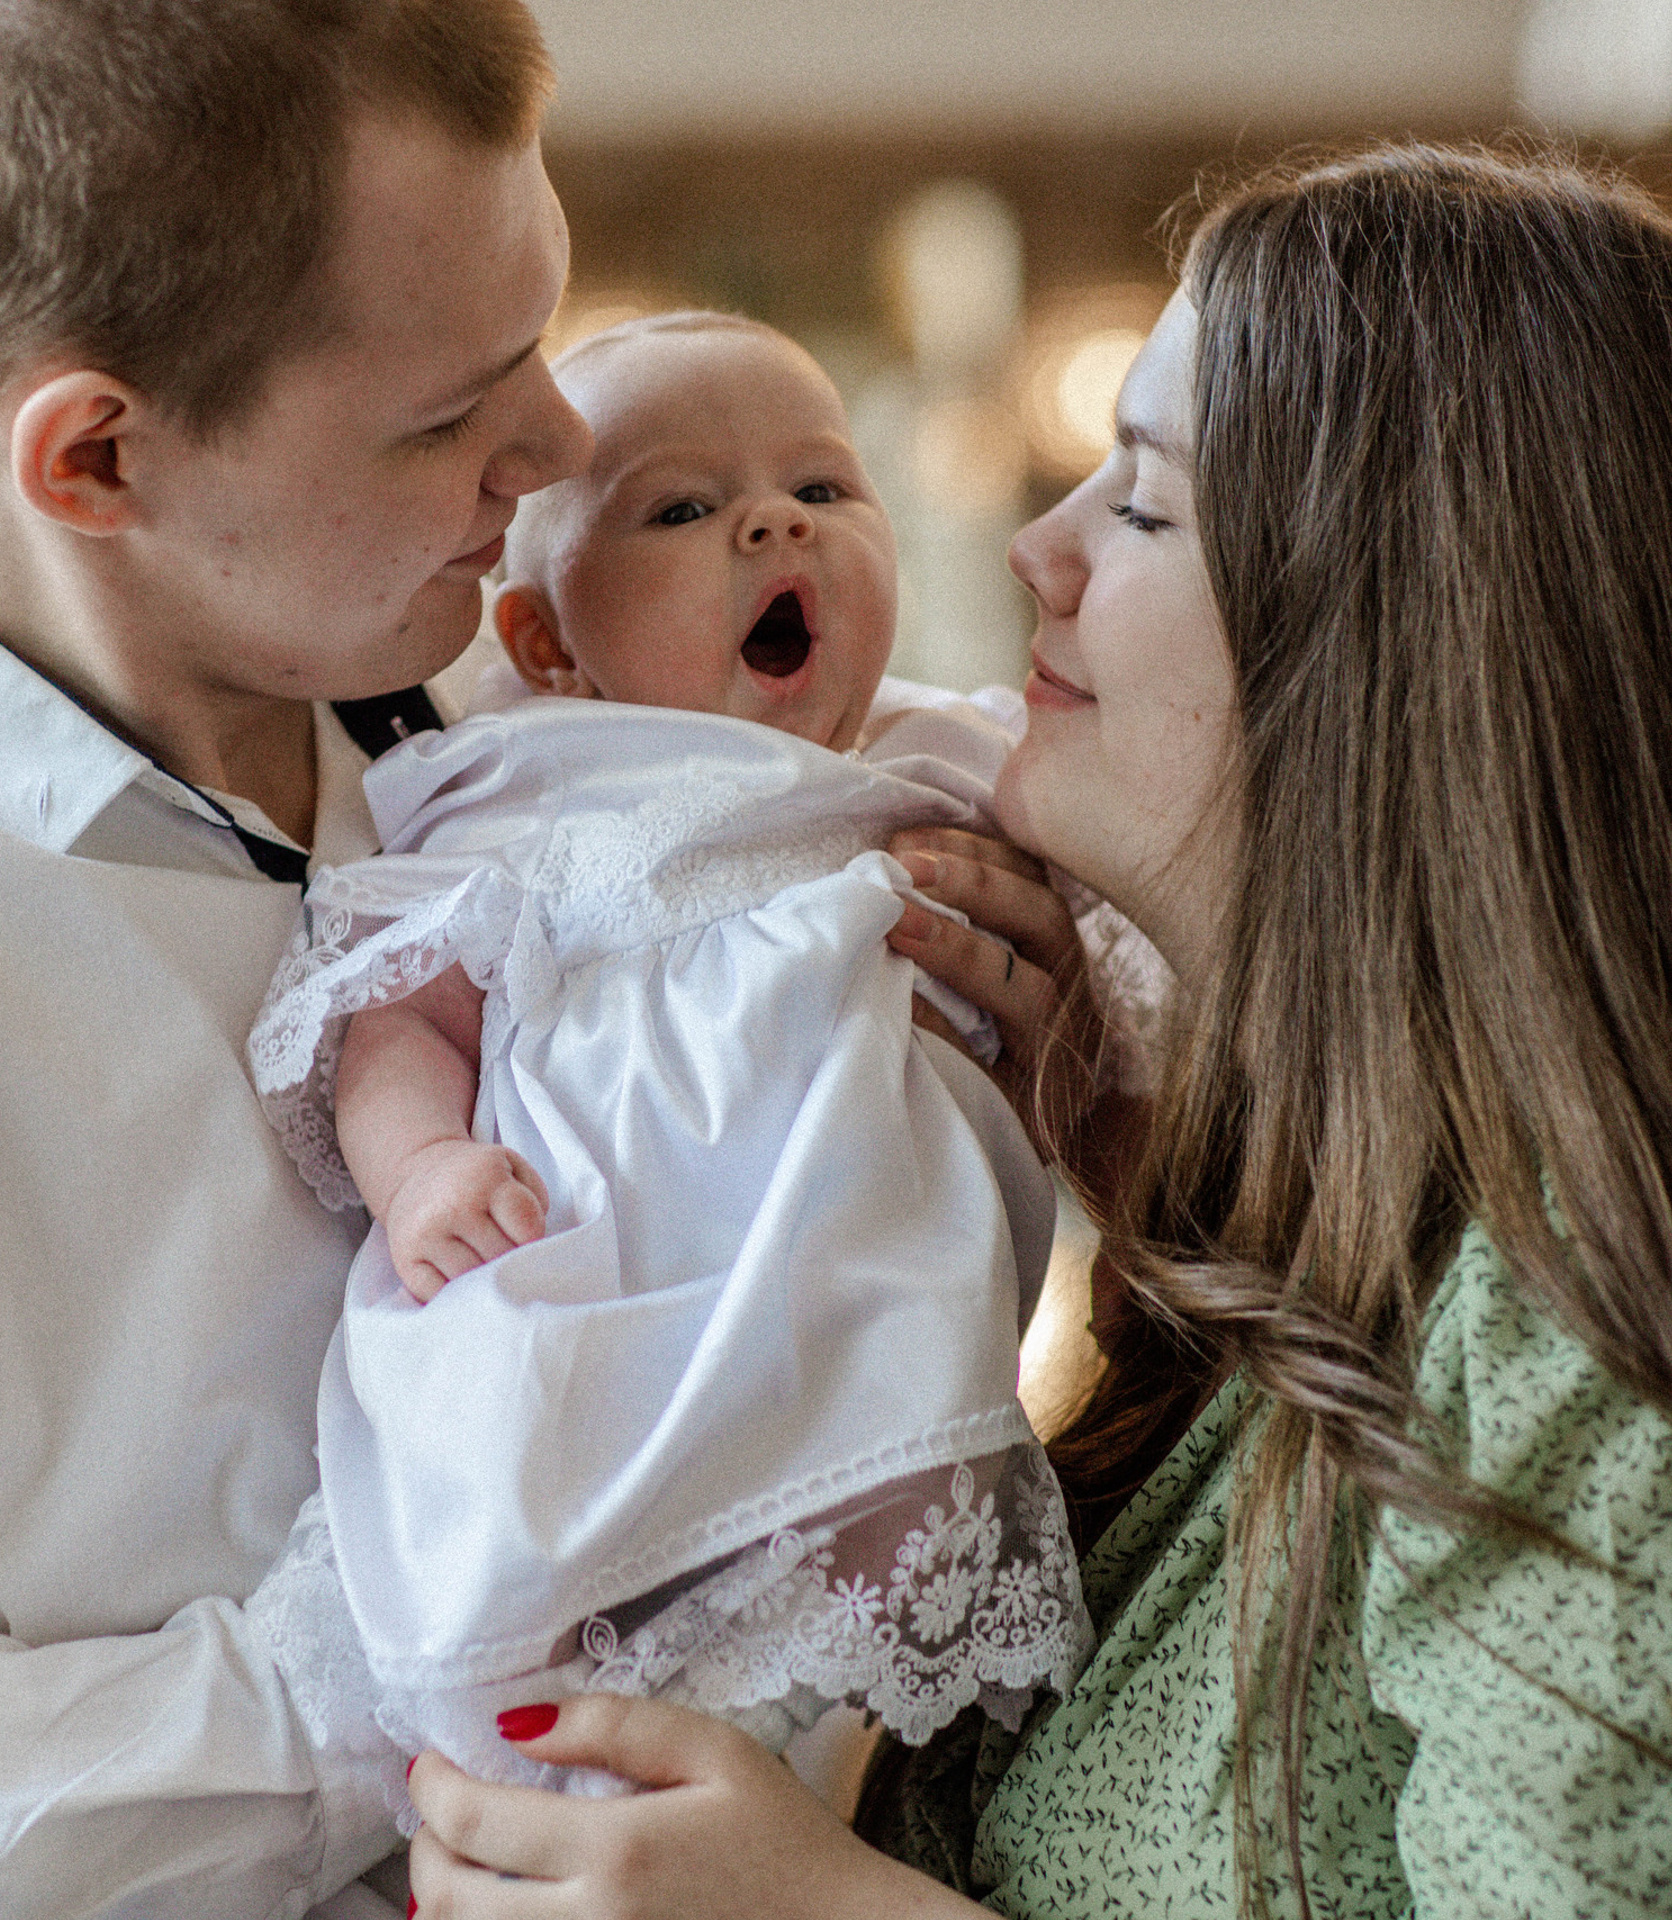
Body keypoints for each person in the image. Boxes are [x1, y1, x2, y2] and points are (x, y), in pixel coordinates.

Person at [397, 144, 1672, 1919]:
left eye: (1142, 507)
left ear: (1389, 644)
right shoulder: (1285, 1229)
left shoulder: (1581, 1303)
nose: (1033, 548)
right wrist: (1159, 1194)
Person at [0, 3, 599, 1913]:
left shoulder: (522, 694)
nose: (560, 445)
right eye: (452, 411)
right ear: (100, 459)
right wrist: (438, 1656)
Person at [245, 314, 1106, 1808]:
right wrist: (423, 1167)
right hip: (612, 1303)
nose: (771, 522)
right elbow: (399, 1010)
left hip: (867, 1322)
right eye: (682, 507)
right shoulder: (524, 789)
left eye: (824, 489)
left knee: (855, 1715)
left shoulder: (959, 766)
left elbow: (1137, 963)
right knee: (577, 1652)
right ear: (544, 643)